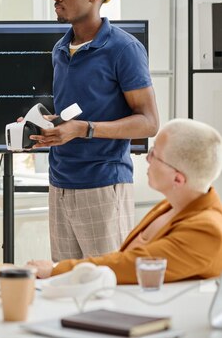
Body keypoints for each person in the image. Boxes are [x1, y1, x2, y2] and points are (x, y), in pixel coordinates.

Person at [31, 0, 159, 261]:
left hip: (103, 185)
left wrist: (84, 129)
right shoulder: (60, 49)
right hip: (59, 183)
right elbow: (76, 112)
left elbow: (149, 122)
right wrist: (52, 123)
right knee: (66, 285)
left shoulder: (124, 49)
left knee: (109, 287)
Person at [26, 118, 222, 284]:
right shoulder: (171, 206)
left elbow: (131, 263)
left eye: (154, 155)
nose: (147, 159)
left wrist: (55, 269)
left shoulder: (208, 230)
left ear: (178, 179)